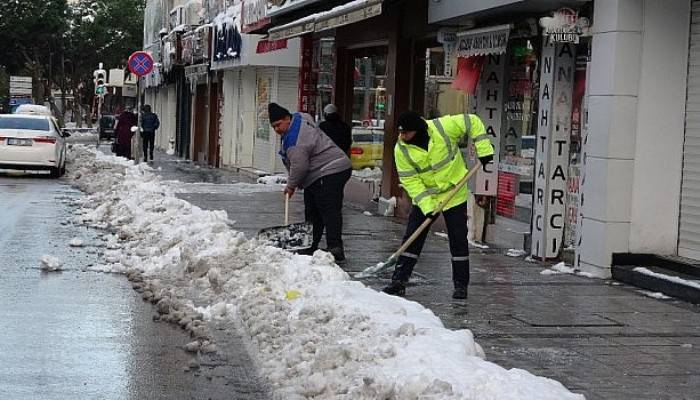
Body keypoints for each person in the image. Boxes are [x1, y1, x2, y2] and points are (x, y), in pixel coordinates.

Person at [382, 111, 494, 300]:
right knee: (413, 238)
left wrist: (484, 149)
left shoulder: (443, 127)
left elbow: (472, 121)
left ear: (417, 130)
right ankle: (398, 281)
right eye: (400, 133)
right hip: (427, 198)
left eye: (406, 133)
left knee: (458, 240)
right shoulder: (400, 150)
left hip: (454, 192)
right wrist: (428, 208)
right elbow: (411, 181)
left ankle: (460, 285)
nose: (402, 137)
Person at [268, 102, 352, 262]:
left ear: (287, 118)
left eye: (278, 125)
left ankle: (335, 247)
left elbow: (300, 166)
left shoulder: (295, 141)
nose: (277, 130)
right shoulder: (301, 117)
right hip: (325, 170)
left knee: (328, 209)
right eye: (274, 127)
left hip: (329, 170)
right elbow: (305, 116)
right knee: (312, 209)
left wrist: (291, 186)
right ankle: (310, 244)